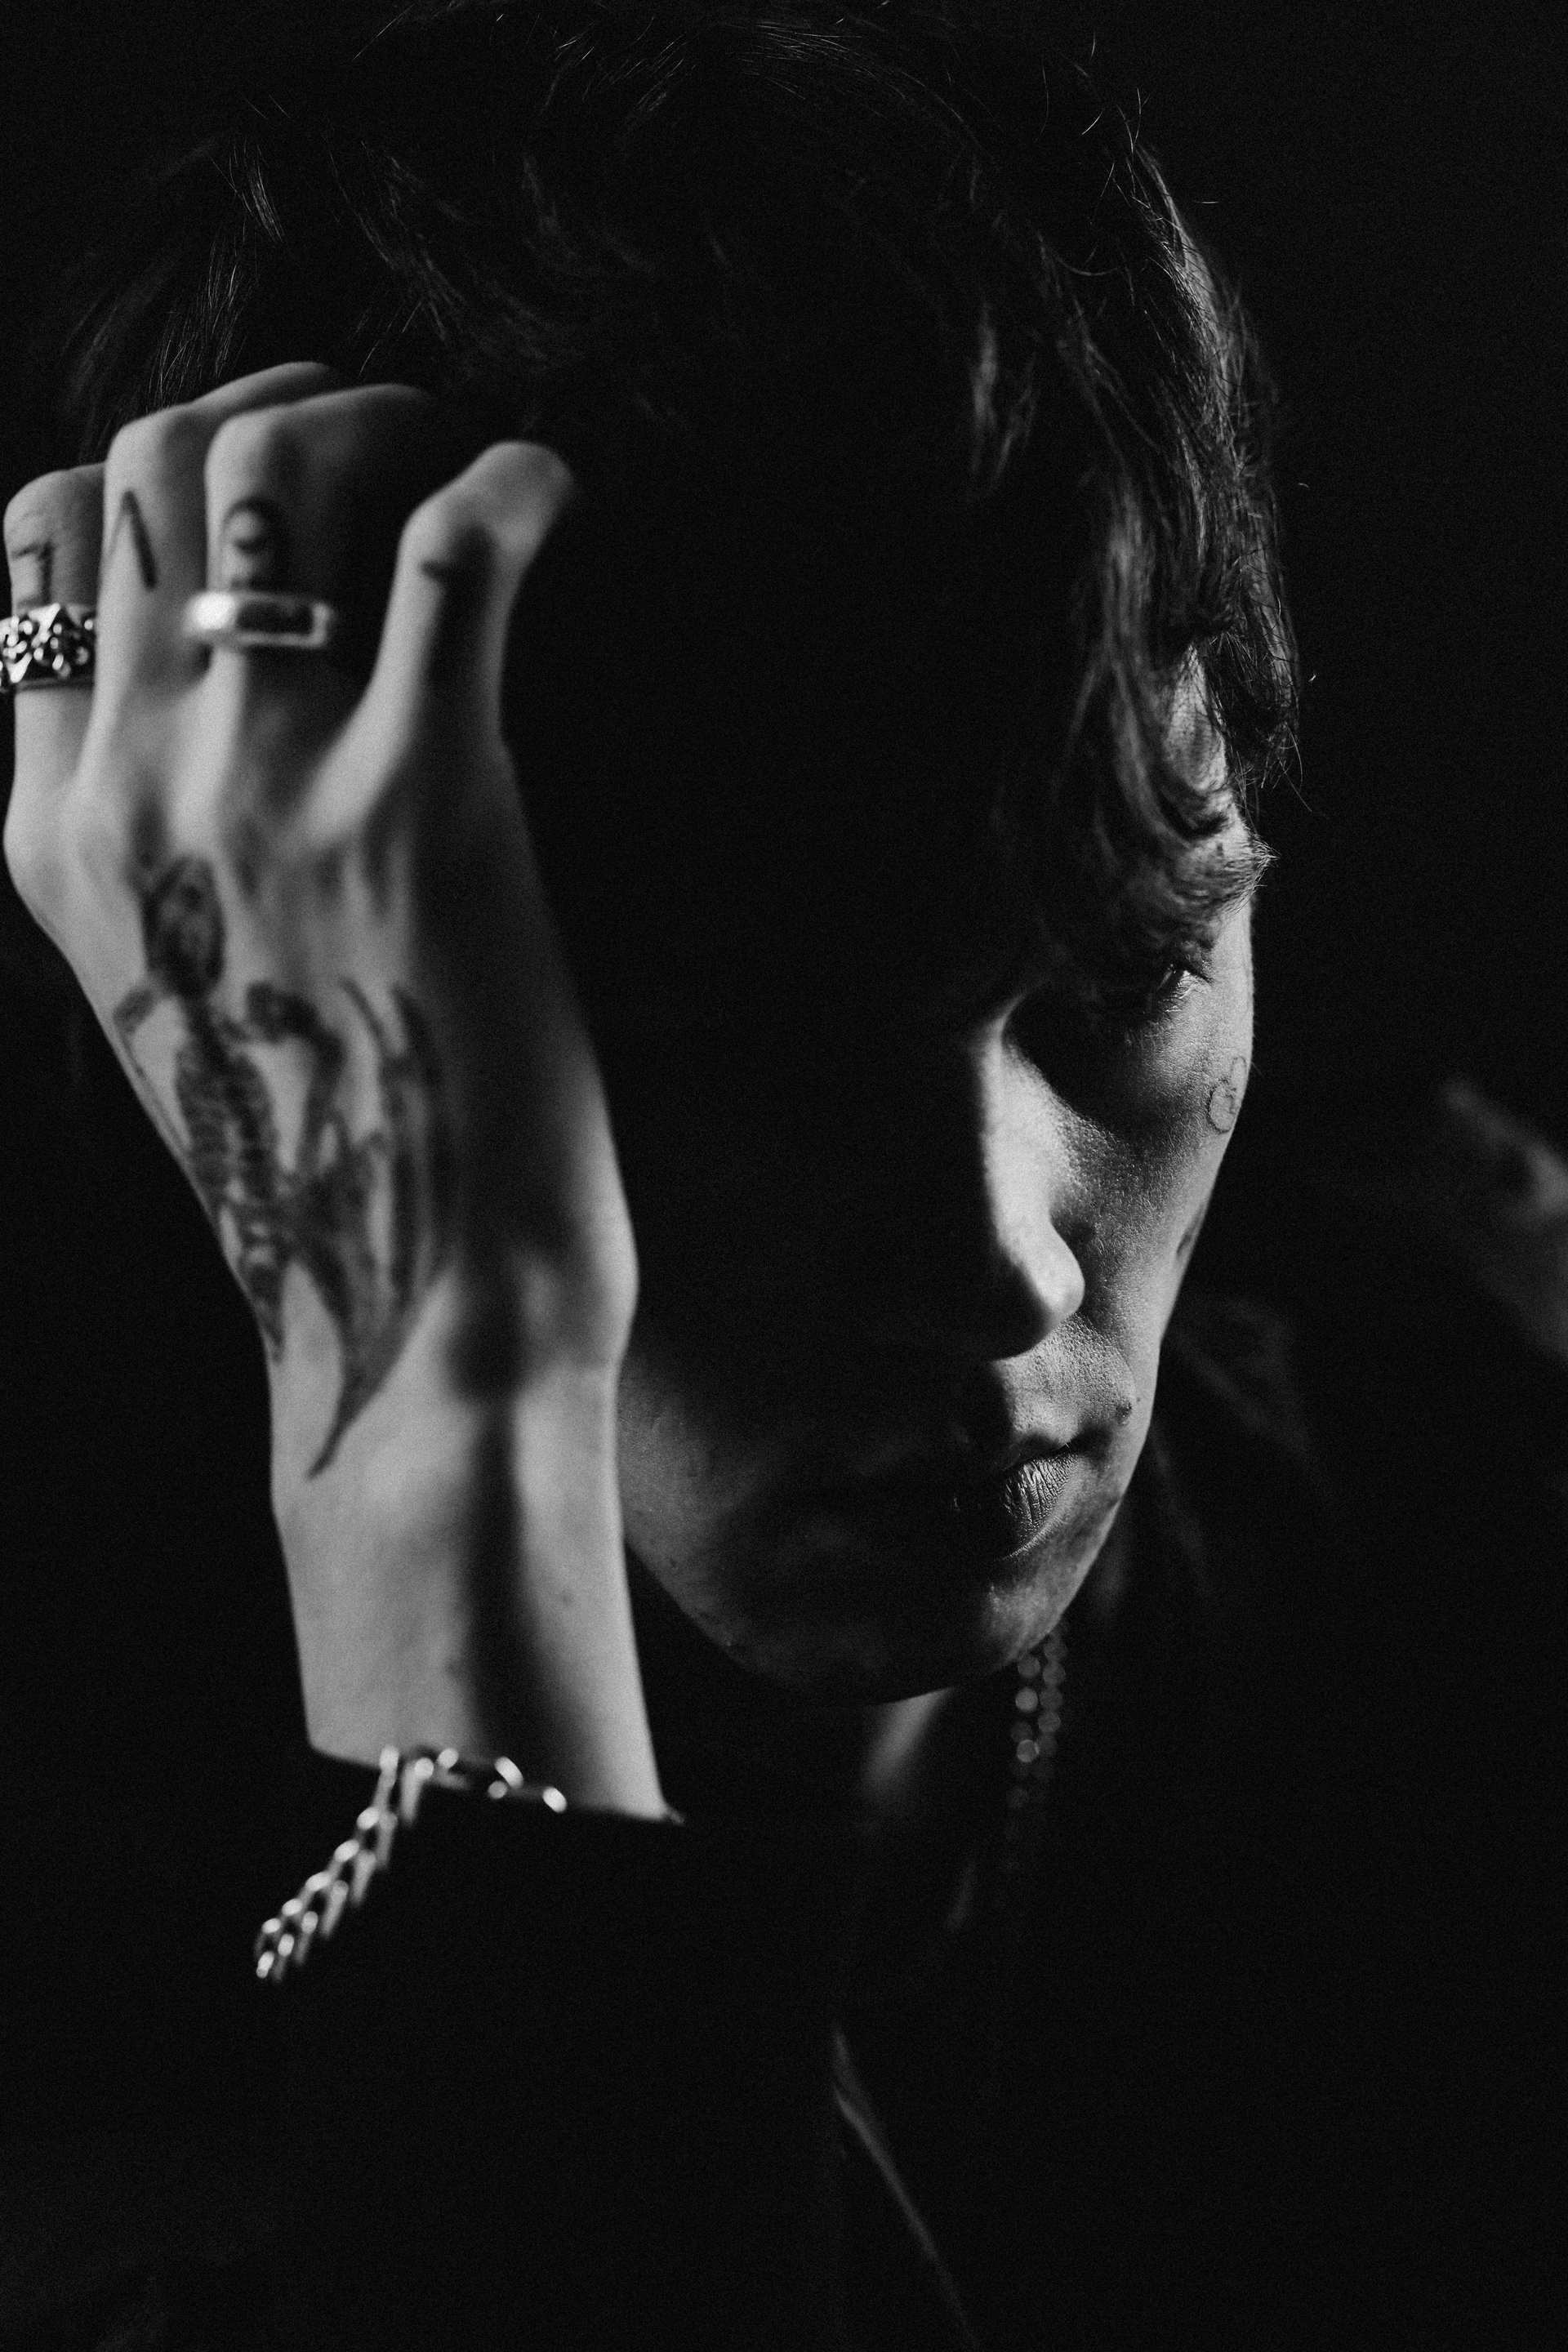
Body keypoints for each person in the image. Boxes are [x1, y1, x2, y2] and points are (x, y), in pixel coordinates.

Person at [2, 4, 1557, 2346]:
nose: (1002, 1268)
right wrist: (426, 1397)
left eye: (1127, 973)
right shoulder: (68, 1859)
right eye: (739, 1062)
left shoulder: (1459, 1486)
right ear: (274, 965)